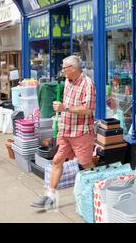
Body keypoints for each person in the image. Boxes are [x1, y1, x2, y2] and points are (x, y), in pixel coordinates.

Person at [31, 55, 96, 210]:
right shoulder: (68, 81)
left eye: (65, 68)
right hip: (65, 129)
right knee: (57, 160)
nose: (62, 70)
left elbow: (88, 109)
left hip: (80, 132)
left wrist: (64, 108)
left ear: (74, 68)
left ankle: (99, 191)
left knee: (86, 163)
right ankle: (50, 196)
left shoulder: (88, 84)